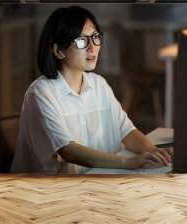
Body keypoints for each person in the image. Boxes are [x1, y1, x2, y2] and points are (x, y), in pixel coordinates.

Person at [11, 6, 172, 174]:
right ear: (58, 51)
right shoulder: (40, 93)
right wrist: (130, 162)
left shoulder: (99, 84)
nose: (92, 47)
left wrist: (153, 151)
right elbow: (68, 150)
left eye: (95, 37)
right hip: (49, 193)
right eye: (81, 41)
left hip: (98, 182)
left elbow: (126, 130)